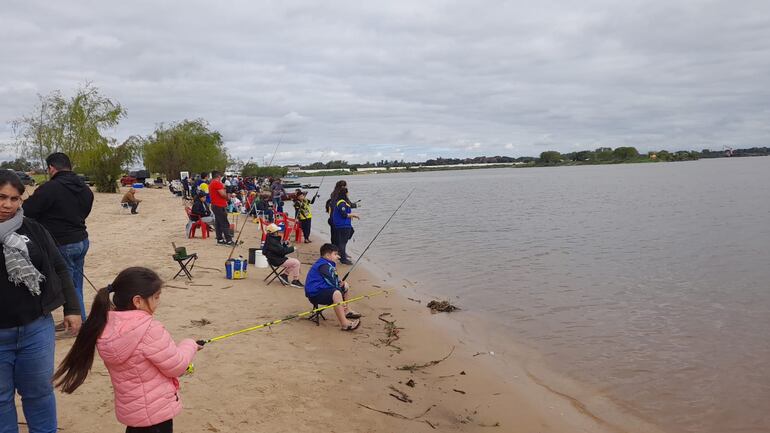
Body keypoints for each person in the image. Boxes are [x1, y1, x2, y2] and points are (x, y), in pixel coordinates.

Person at [53, 267, 201, 433]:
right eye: (156, 297)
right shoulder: (149, 329)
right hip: (156, 414)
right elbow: (177, 366)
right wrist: (190, 345)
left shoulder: (105, 325)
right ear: (138, 301)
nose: (158, 302)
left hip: (133, 414)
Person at [0, 169, 82, 433]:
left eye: (14, 199)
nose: (7, 204)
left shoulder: (33, 229)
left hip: (35, 329)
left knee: (39, 393)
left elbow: (59, 268)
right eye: (1, 197)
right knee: (1, 399)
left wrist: (72, 308)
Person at [23, 152, 94, 323]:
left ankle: (79, 321)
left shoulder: (49, 188)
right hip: (82, 240)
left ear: (51, 168)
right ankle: (77, 319)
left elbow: (27, 211)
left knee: (69, 285)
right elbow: (85, 210)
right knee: (76, 282)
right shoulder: (84, 188)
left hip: (63, 243)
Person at [304, 243, 361, 331]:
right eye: (335, 254)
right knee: (336, 293)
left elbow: (332, 280)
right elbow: (331, 282)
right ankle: (345, 324)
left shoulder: (327, 264)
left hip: (322, 289)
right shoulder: (324, 265)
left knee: (345, 285)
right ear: (327, 255)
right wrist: (340, 293)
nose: (338, 256)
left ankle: (347, 310)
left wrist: (340, 283)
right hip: (314, 294)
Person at [331, 187, 359, 265]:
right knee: (342, 242)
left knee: (343, 241)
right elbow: (343, 214)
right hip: (342, 225)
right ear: (345, 193)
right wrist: (353, 215)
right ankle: (343, 259)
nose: (348, 194)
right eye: (347, 192)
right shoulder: (341, 203)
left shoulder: (340, 202)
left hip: (342, 225)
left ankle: (341, 256)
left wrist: (351, 216)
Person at [208, 171, 234, 245]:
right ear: (219, 176)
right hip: (219, 205)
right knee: (224, 223)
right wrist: (228, 194)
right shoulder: (217, 183)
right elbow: (223, 195)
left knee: (218, 223)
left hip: (215, 205)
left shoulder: (212, 183)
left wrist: (225, 189)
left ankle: (220, 239)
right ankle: (229, 240)